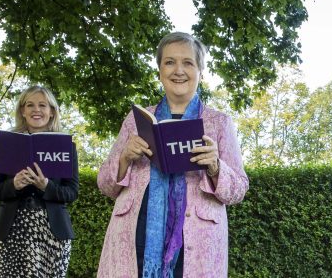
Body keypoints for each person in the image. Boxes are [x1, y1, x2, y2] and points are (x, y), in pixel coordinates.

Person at [97, 32, 249, 277]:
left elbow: (238, 190)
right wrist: (124, 158)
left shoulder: (219, 123)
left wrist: (215, 167)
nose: (178, 70)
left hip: (195, 244)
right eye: (169, 62)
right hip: (136, 238)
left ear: (200, 71)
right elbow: (105, 185)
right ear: (159, 70)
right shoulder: (136, 120)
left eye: (188, 63)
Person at [0, 85, 79, 277]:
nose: (36, 110)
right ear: (22, 110)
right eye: (30, 105)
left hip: (52, 234)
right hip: (11, 231)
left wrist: (46, 186)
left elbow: (72, 192)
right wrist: (13, 185)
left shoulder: (66, 146)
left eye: (42, 105)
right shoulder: (6, 144)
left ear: (52, 112)